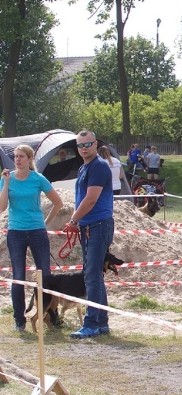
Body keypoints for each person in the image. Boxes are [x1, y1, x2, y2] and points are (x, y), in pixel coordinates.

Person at [0, 145, 63, 332]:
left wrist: (45, 222)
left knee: (45, 274)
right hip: (16, 232)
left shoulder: (38, 178)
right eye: (15, 157)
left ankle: (51, 315)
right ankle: (19, 319)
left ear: (30, 159)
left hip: (37, 231)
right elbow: (2, 207)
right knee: (18, 276)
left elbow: (58, 203)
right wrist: (6, 183)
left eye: (21, 157)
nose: (17, 160)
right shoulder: (7, 178)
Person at [64, 131, 115, 339]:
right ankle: (101, 322)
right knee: (93, 276)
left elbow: (91, 199)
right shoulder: (85, 166)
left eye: (88, 144)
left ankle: (91, 323)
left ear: (96, 144)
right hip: (89, 226)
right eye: (80, 145)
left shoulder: (99, 166)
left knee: (92, 276)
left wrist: (74, 220)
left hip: (98, 225)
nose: (84, 148)